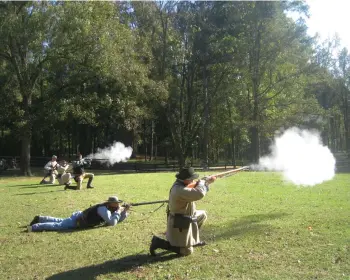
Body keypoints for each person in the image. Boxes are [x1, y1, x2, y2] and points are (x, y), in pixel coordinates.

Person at [149, 167, 216, 256]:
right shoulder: (179, 189)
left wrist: (206, 183)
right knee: (187, 251)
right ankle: (158, 243)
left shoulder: (182, 184)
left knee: (203, 214)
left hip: (188, 215)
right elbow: (199, 193)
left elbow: (197, 189)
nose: (193, 180)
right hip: (180, 221)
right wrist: (204, 182)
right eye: (192, 179)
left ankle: (191, 239)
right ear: (186, 180)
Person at [27, 196, 131, 232]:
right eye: (116, 203)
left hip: (79, 216)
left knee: (61, 221)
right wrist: (118, 212)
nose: (118, 205)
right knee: (58, 225)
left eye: (118, 204)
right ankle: (34, 227)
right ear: (110, 203)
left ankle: (40, 218)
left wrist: (124, 211)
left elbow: (116, 220)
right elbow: (112, 223)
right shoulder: (104, 210)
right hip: (78, 220)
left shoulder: (109, 208)